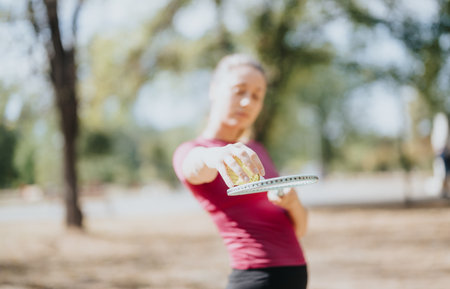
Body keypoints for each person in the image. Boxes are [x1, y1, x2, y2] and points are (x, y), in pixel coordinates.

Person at [172, 54, 309, 289]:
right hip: (255, 278)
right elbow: (194, 167)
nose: (248, 102)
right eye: (239, 90)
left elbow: (299, 229)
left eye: (257, 95)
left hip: (294, 276)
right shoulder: (193, 150)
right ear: (214, 90)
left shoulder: (255, 150)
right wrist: (214, 156)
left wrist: (292, 203)